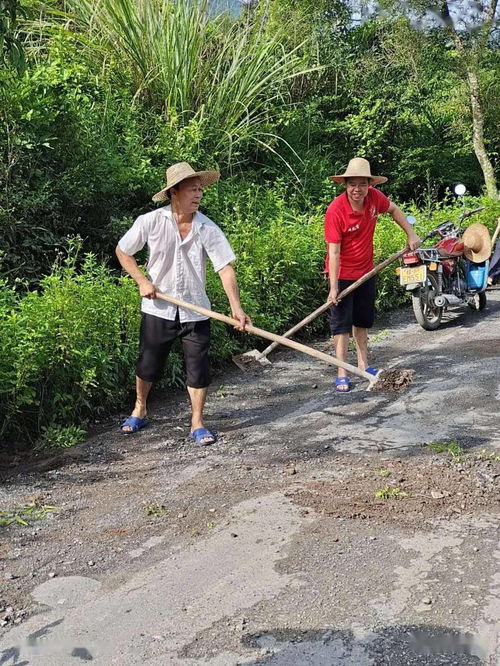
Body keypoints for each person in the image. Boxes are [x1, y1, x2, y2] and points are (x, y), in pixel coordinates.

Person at [116, 162, 251, 444]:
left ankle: (197, 422)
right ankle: (140, 409)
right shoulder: (149, 221)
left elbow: (225, 268)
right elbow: (123, 251)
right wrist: (142, 281)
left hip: (195, 309)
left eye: (200, 189)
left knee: (198, 367)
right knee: (148, 364)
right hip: (158, 308)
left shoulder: (207, 228)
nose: (198, 194)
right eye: (192, 189)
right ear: (174, 192)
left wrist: (237, 309)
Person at [325, 157, 421, 392]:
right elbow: (334, 252)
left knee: (362, 322)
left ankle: (364, 365)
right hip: (342, 274)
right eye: (352, 184)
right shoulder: (336, 210)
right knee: (341, 326)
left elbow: (395, 210)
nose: (357, 190)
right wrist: (334, 287)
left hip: (366, 272)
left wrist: (411, 234)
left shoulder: (374, 200)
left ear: (370, 185)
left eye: (362, 184)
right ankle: (342, 372)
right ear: (345, 185)